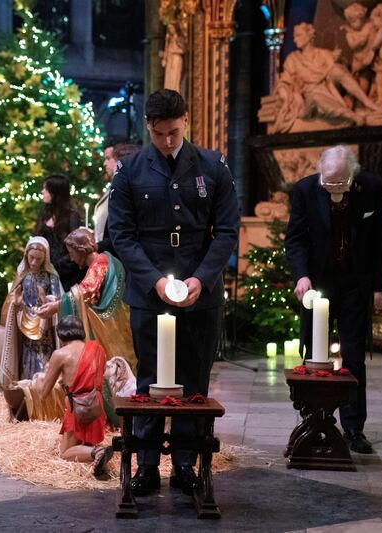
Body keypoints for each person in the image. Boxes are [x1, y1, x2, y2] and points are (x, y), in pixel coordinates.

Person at [107, 89, 240, 496]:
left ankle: (186, 463)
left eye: (175, 132)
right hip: (151, 295)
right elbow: (122, 236)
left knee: (193, 380)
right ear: (149, 125)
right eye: (161, 133)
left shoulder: (212, 166)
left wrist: (201, 278)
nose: (168, 140)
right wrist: (156, 281)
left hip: (202, 293)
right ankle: (146, 464)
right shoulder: (130, 171)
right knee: (150, 380)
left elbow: (227, 232)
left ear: (186, 119)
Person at [284, 145, 382, 454]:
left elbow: (380, 238)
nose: (332, 188)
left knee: (354, 357)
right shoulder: (305, 189)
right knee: (313, 353)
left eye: (339, 183)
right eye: (327, 182)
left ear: (352, 174)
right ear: (320, 172)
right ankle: (313, 422)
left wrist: (377, 285)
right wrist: (301, 276)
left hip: (355, 283)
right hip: (318, 282)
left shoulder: (372, 188)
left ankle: (354, 428)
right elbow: (296, 238)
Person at [37, 227, 137, 373]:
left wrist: (57, 306)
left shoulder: (99, 264)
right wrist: (59, 301)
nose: (71, 258)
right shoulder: (104, 260)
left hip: (112, 327)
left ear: (81, 250)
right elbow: (89, 293)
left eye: (72, 253)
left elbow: (85, 293)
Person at [37, 315, 113, 478]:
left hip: (77, 407)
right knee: (81, 444)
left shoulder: (60, 354)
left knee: (65, 452)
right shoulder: (97, 350)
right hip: (96, 405)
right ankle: (94, 451)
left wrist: (43, 377)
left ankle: (97, 452)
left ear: (61, 334)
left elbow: (43, 394)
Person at [0, 236, 62, 387]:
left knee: (43, 356)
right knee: (26, 357)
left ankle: (44, 385)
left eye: (38, 259)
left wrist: (46, 299)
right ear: (26, 256)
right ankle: (25, 385)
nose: (34, 262)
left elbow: (58, 299)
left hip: (44, 324)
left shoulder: (51, 276)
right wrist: (17, 303)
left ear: (45, 259)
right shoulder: (22, 275)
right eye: (31, 258)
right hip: (25, 323)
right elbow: (13, 298)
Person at [34, 174, 83, 290]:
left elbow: (74, 250)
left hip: (66, 277)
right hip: (43, 276)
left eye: (46, 189)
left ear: (56, 193)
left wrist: (53, 268)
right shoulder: (43, 215)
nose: (42, 192)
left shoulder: (71, 217)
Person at [96, 141, 140, 258]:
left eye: (109, 158)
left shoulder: (133, 189)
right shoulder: (116, 187)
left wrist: (97, 246)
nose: (105, 163)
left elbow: (124, 231)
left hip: (123, 257)